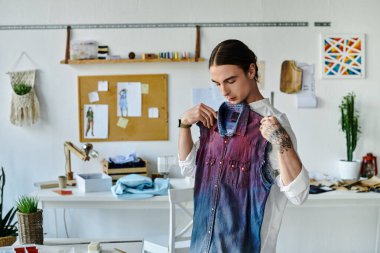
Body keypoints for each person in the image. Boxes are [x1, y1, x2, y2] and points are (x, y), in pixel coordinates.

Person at [178, 39, 309, 253]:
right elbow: (189, 169)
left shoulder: (274, 124)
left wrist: (281, 140)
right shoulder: (218, 119)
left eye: (230, 80)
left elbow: (299, 194)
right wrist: (183, 125)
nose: (224, 91)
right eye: (217, 83)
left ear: (251, 70)